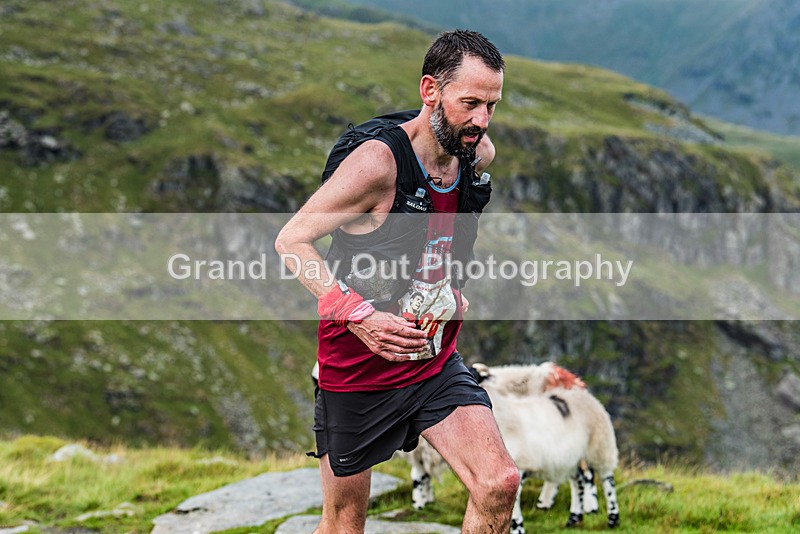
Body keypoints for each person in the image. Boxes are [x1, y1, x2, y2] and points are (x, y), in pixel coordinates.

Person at [275, 30, 519, 533]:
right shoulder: (377, 164)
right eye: (470, 103)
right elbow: (292, 241)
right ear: (430, 90)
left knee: (498, 483)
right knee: (345, 522)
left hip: (431, 359)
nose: (481, 120)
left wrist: (451, 287)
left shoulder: (475, 153)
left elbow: (442, 233)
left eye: (492, 105)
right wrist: (356, 313)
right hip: (358, 367)